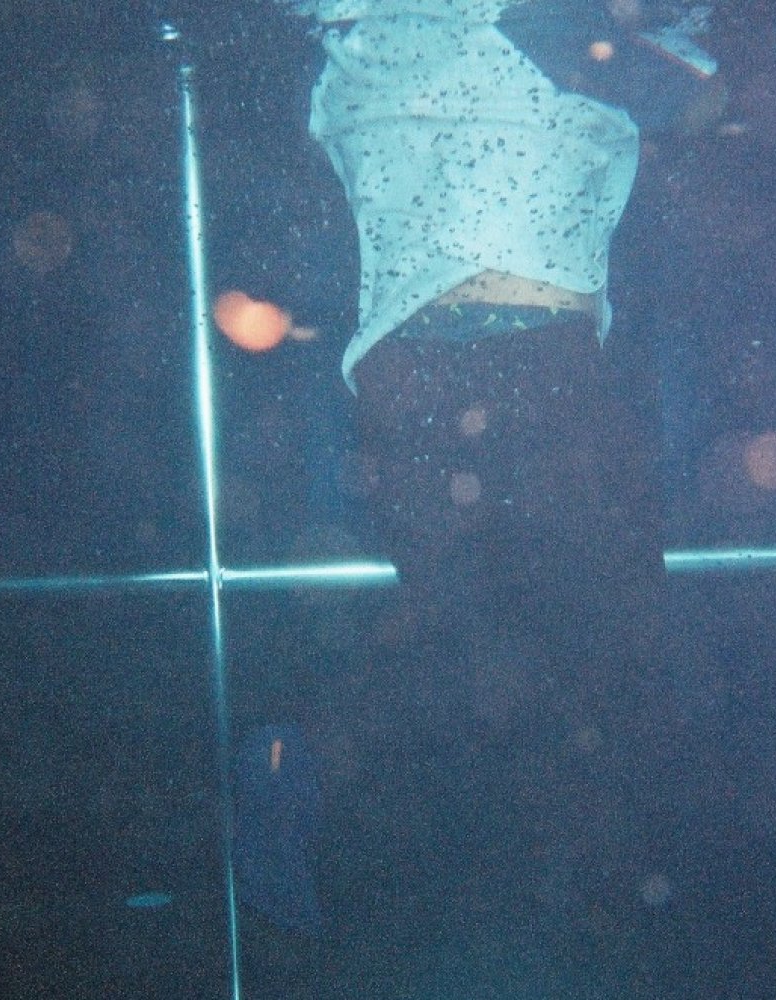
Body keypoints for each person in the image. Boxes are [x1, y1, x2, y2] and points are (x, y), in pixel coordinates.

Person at [275, 0, 723, 931]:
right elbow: (703, 90)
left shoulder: (373, 27)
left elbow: (703, 85)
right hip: (504, 364)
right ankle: (581, 896)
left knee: (504, 654)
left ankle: (553, 895)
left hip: (432, 368)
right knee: (574, 655)